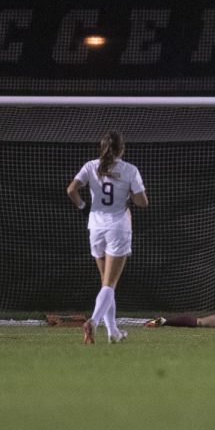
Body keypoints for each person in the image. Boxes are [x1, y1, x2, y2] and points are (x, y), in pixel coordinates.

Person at [67, 131, 148, 344]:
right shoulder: (130, 170)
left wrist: (84, 207)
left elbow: (71, 190)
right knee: (109, 284)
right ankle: (92, 321)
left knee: (106, 283)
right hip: (117, 228)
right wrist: (130, 194)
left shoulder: (90, 166)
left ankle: (113, 332)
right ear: (122, 149)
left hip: (95, 227)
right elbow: (142, 202)